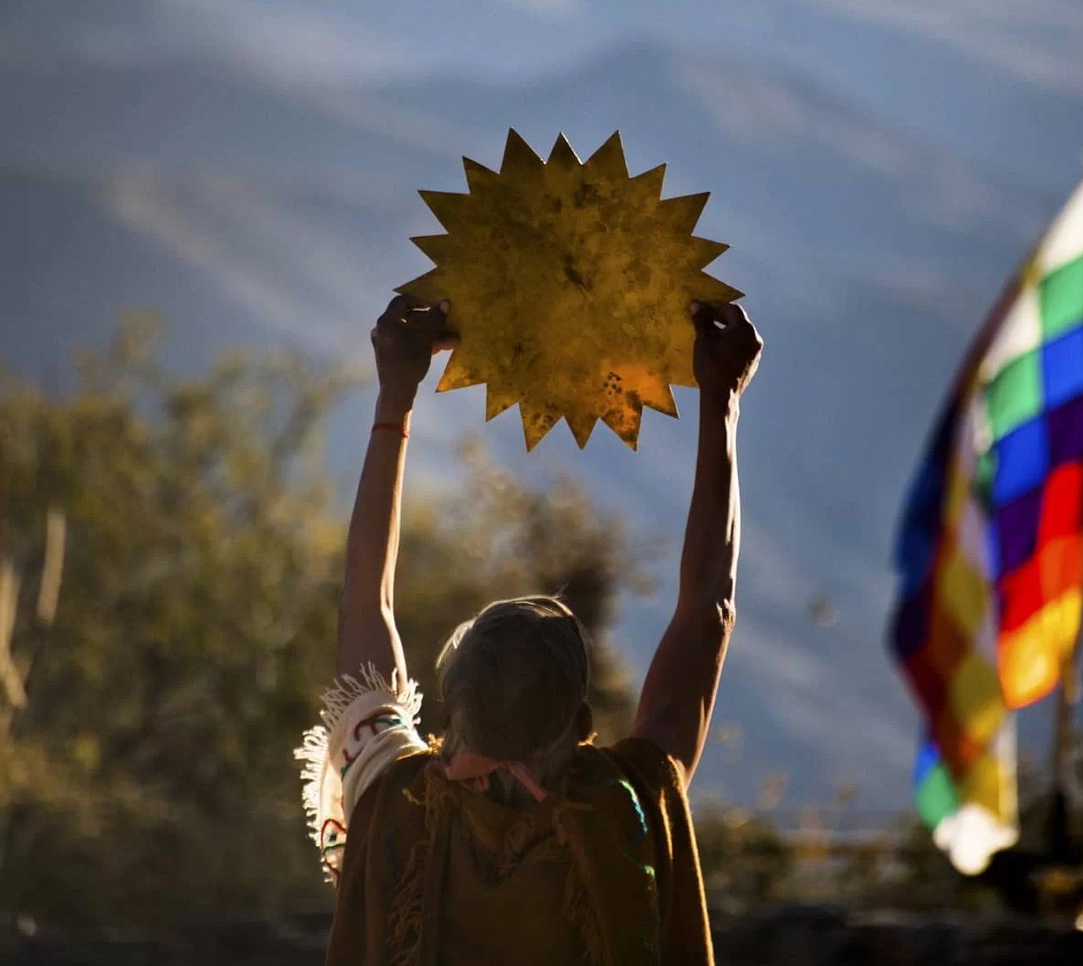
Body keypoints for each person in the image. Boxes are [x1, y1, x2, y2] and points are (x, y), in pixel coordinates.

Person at [297, 293, 763, 965]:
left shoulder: (396, 803)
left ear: (450, 714)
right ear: (581, 722)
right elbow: (708, 611)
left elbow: (363, 604)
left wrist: (394, 397)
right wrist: (722, 404)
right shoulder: (625, 809)